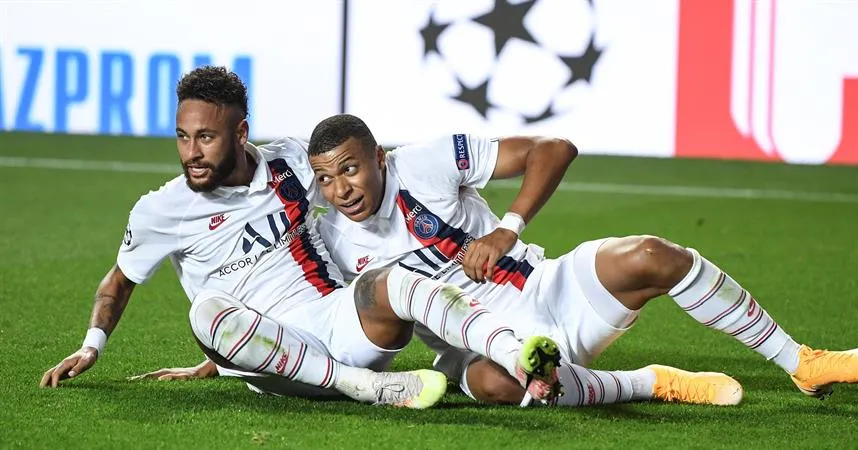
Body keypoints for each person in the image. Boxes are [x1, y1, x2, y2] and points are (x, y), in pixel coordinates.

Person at [38, 66, 565, 408]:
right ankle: (364, 389)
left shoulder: (292, 160)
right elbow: (117, 283)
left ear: (241, 134)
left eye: (205, 137)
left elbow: (359, 167)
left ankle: (518, 354)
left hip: (341, 323)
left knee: (397, 278)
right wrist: (92, 347)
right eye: (182, 136)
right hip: (268, 356)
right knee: (204, 311)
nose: (191, 152)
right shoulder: (161, 209)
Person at [305, 113, 858, 407]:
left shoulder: (426, 162)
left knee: (654, 255)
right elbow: (319, 319)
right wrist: (231, 361)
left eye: (351, 169)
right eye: (327, 180)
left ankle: (800, 362)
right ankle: (650, 382)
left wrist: (507, 231)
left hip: (550, 287)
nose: (342, 190)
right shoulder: (334, 242)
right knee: (496, 385)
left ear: (378, 157)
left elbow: (554, 150)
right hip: (483, 349)